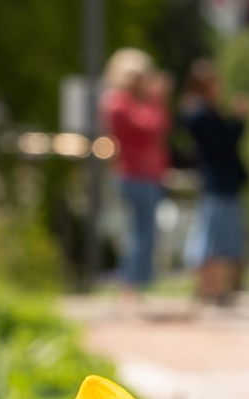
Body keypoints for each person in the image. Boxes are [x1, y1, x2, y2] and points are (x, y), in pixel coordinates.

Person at [180, 59, 249, 305]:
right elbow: (224, 143)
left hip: (225, 182)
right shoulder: (199, 113)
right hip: (216, 182)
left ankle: (220, 288)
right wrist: (239, 120)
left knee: (227, 238)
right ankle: (207, 288)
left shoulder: (206, 111)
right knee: (211, 238)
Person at [103, 50, 172, 297]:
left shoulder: (133, 103)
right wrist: (155, 100)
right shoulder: (118, 103)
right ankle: (130, 287)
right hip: (132, 176)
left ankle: (137, 286)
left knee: (146, 234)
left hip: (147, 176)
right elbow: (152, 126)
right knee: (136, 234)